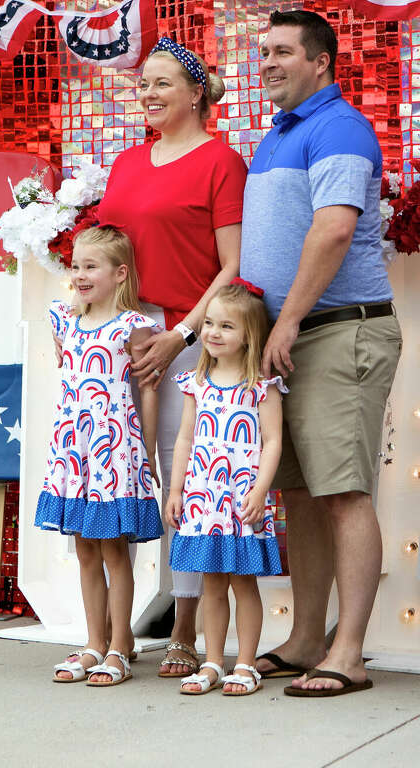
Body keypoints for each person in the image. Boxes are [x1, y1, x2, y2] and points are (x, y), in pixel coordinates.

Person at [241, 9, 401, 697]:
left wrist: (289, 320)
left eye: (282, 51)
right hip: (292, 338)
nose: (268, 62)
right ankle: (308, 638)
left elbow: (334, 232)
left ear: (321, 62)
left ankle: (350, 653)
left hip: (339, 331)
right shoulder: (277, 135)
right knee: (299, 495)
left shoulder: (340, 128)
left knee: (342, 492)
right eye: (264, 52)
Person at [95, 36, 247, 679]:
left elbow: (235, 265)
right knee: (126, 471)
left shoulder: (221, 161)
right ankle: (115, 630)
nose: (148, 94)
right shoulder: (128, 162)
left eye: (161, 84)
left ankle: (186, 627)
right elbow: (107, 251)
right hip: (125, 336)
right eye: (142, 85)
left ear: (195, 93)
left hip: (189, 337)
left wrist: (181, 335)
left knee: (184, 478)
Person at [34, 226, 163, 687]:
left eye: (91, 266)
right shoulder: (63, 319)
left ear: (119, 272)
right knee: (85, 549)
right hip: (74, 448)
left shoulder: (134, 325)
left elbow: (147, 389)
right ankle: (93, 643)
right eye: (76, 266)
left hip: (115, 449)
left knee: (114, 551)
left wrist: (145, 450)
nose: (80, 274)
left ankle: (119, 645)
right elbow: (68, 375)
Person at [164, 282, 287, 696]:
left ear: (250, 335)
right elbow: (184, 439)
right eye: (210, 323)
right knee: (212, 582)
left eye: (226, 326)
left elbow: (273, 442)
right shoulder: (195, 381)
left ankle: (247, 663)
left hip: (242, 500)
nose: (213, 332)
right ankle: (214, 661)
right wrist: (177, 490)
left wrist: (261, 489)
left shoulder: (262, 386)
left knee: (242, 582)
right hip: (204, 499)